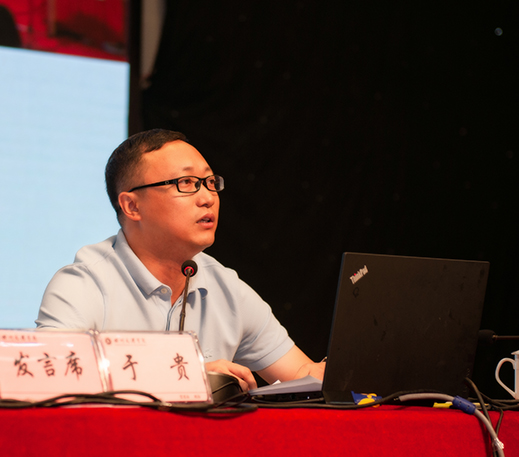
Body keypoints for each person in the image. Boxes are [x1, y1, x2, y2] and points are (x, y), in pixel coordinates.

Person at [37, 129, 325, 391]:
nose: (208, 198)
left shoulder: (226, 288)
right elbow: (49, 373)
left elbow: (303, 376)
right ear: (132, 206)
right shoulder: (85, 283)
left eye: (210, 182)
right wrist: (185, 373)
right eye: (186, 183)